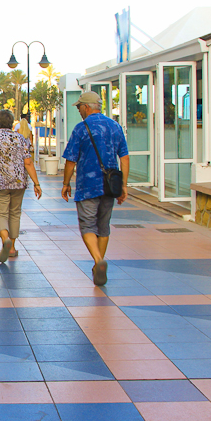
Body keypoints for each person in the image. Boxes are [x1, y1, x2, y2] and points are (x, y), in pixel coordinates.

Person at [61, 91, 129, 286]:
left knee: (88, 226)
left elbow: (70, 160)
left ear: (87, 107)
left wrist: (66, 184)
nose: (79, 110)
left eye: (79, 107)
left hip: (87, 186)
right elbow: (124, 156)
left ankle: (98, 261)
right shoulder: (115, 127)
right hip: (110, 186)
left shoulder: (81, 129)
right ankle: (97, 263)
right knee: (103, 227)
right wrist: (124, 184)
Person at [0, 109, 42, 263]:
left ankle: (5, 239)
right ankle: (12, 247)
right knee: (14, 213)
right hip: (18, 183)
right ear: (11, 123)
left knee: (0, 214)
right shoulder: (20, 138)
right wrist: (36, 183)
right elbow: (28, 162)